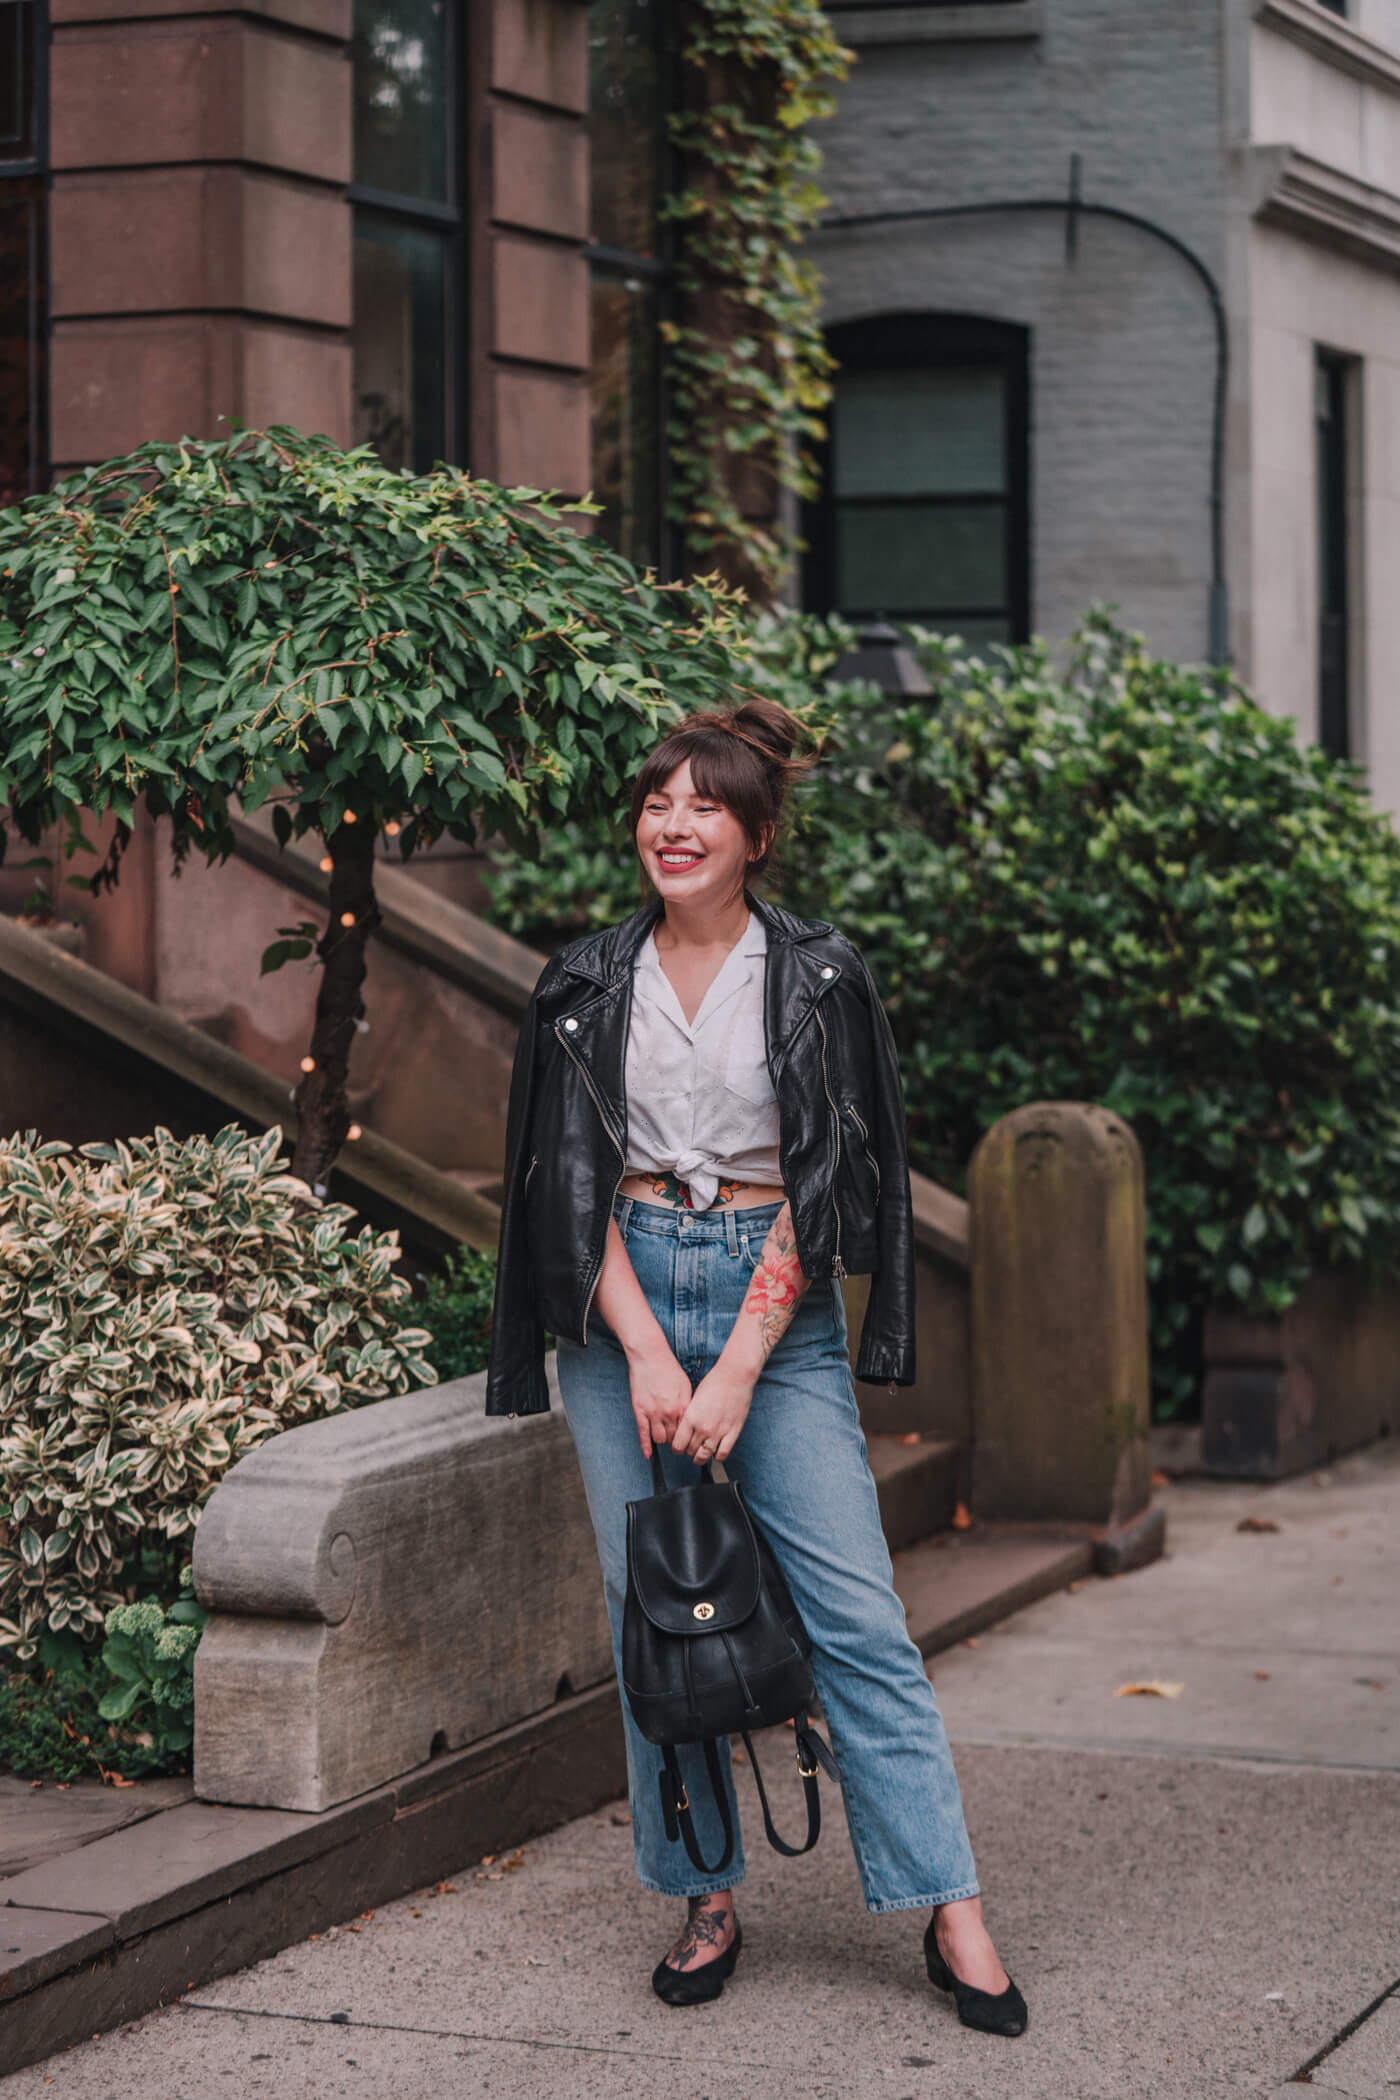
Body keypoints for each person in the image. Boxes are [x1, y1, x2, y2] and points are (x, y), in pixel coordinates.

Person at [484, 697, 1026, 2035]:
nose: (673, 825)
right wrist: (650, 1352)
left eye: (704, 807)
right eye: (658, 803)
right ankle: (704, 1894)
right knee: (659, 1610)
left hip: (768, 1305)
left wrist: (727, 1373)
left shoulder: (819, 979)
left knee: (857, 1620)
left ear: (757, 835)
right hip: (627, 1306)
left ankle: (950, 1903)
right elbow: (566, 1188)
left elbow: (827, 1186)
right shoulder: (583, 983)